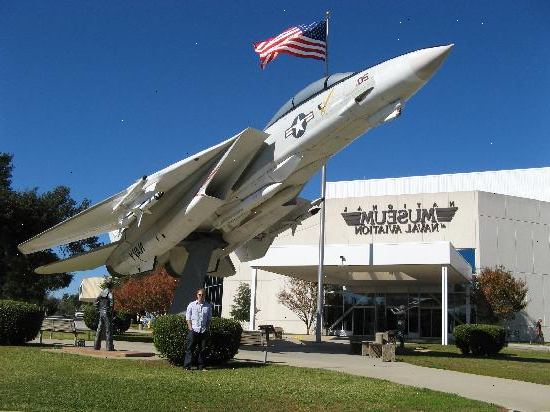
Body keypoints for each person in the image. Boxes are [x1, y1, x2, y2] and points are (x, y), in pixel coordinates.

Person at [184, 288, 212, 370]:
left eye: (203, 295)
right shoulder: (191, 305)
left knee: (202, 350)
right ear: (197, 295)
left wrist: (206, 328)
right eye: (199, 294)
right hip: (193, 330)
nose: (201, 296)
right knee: (190, 349)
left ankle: (201, 366)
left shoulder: (208, 306)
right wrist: (190, 329)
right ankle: (187, 366)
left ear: (204, 296)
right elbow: (188, 318)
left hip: (203, 331)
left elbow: (209, 319)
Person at [94, 280, 115, 351]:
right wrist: (111, 312)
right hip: (106, 313)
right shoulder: (110, 293)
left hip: (101, 313)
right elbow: (112, 304)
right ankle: (109, 347)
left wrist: (98, 310)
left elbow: (96, 302)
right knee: (108, 330)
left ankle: (96, 346)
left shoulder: (101, 292)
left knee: (99, 329)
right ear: (111, 286)